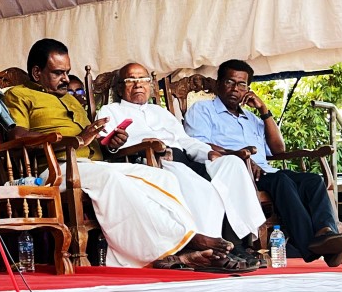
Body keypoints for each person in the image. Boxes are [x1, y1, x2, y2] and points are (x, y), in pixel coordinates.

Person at [3, 39, 253, 272]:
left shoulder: (71, 101)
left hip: (90, 164)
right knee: (115, 181)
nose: (67, 79)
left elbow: (97, 140)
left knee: (161, 178)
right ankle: (182, 242)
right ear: (37, 73)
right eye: (58, 73)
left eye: (67, 72)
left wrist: (110, 142)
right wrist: (77, 140)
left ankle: (182, 241)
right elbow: (16, 136)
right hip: (55, 166)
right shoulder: (19, 95)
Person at [184, 59, 342, 267]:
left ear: (247, 89)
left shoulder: (251, 119)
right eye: (230, 82)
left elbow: (279, 150)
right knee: (282, 181)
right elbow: (197, 144)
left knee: (312, 180)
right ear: (218, 83)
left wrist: (264, 110)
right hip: (233, 173)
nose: (235, 89)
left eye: (241, 85)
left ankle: (325, 233)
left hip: (265, 172)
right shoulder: (203, 110)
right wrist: (240, 156)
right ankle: (313, 247)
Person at [97, 62, 264, 265]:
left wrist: (209, 153)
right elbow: (107, 145)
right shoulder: (111, 110)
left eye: (143, 80)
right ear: (120, 88)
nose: (138, 85)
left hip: (185, 159)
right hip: (153, 163)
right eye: (131, 80)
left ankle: (238, 243)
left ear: (150, 85)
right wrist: (116, 144)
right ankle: (212, 252)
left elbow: (185, 141)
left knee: (232, 165)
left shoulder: (162, 113)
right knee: (204, 189)